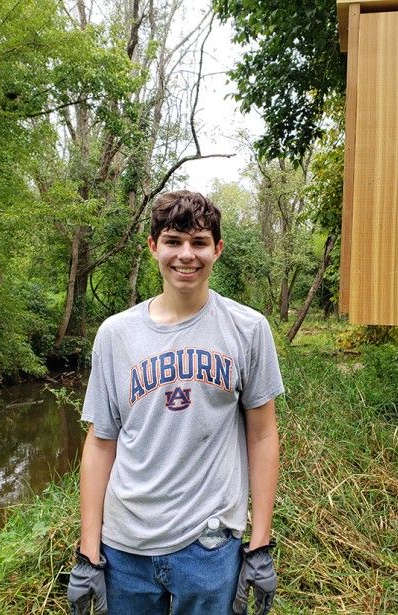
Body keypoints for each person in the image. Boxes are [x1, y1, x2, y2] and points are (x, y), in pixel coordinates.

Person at [68, 190, 284, 615]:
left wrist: (258, 544)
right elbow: (100, 442)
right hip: (124, 546)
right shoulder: (115, 335)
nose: (186, 255)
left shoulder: (248, 329)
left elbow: (262, 436)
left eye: (199, 242)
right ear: (153, 247)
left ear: (217, 250)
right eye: (173, 241)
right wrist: (87, 551)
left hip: (209, 547)